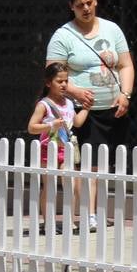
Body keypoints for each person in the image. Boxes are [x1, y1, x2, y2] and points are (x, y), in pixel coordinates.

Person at [46, 0, 135, 231]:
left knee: (105, 163)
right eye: (79, 5)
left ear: (95, 0)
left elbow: (125, 65)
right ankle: (90, 214)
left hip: (113, 106)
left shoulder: (111, 29)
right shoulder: (63, 35)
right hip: (82, 110)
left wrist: (125, 94)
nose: (86, 9)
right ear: (71, 7)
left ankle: (97, 210)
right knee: (90, 164)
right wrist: (73, 90)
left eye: (89, 3)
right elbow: (53, 72)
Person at [27, 62, 87, 231]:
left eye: (66, 81)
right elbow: (32, 127)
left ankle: (70, 220)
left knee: (71, 184)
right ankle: (48, 222)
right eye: (59, 81)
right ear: (48, 83)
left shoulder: (68, 103)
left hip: (66, 148)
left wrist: (87, 109)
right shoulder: (44, 104)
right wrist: (51, 125)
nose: (63, 85)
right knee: (50, 185)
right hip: (49, 149)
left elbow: (76, 122)